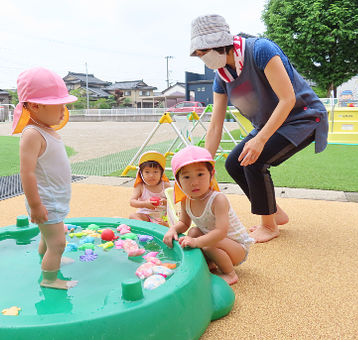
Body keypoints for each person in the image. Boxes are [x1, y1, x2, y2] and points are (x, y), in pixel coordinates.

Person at [189, 15, 328, 243]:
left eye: (204, 52)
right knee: (234, 163)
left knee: (254, 160)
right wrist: (204, 164)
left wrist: (260, 140)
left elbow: (287, 99)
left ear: (219, 43)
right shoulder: (221, 77)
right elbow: (216, 125)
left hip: (302, 117)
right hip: (269, 123)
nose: (203, 58)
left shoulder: (261, 50)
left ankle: (269, 225)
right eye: (199, 55)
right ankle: (274, 211)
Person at [12, 67, 78, 290]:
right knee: (58, 243)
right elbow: (27, 172)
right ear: (35, 105)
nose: (63, 111)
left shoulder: (47, 130)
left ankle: (47, 260)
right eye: (58, 105)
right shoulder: (32, 134)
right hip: (45, 201)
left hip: (53, 199)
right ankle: (50, 279)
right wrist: (35, 205)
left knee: (47, 239)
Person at [163, 146, 254, 285]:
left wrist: (196, 242)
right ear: (178, 181)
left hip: (236, 247)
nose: (194, 182)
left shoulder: (218, 199)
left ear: (211, 175)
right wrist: (172, 230)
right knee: (193, 231)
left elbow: (221, 232)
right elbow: (184, 224)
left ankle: (230, 274)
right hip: (216, 241)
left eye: (200, 174)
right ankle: (210, 263)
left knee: (205, 244)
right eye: (186, 177)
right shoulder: (186, 200)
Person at [129, 151, 171, 226]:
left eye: (155, 172)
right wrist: (145, 204)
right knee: (132, 216)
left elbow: (174, 201)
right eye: (147, 172)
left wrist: (165, 202)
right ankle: (146, 226)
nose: (151, 175)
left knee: (178, 218)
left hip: (163, 216)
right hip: (146, 215)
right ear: (141, 174)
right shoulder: (141, 186)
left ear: (161, 173)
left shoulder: (165, 185)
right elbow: (132, 202)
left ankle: (163, 225)